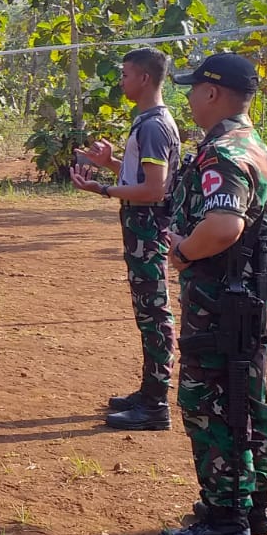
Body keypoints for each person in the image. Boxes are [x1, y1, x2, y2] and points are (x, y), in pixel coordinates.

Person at [156, 53, 267, 535]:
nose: (187, 97)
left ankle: (224, 520)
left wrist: (184, 252)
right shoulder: (254, 146)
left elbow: (225, 226)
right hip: (250, 298)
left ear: (213, 93)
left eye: (193, 89)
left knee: (210, 405)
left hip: (222, 303)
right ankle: (251, 505)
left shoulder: (224, 154)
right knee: (247, 397)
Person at [72, 48, 183, 432]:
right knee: (147, 312)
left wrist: (101, 189)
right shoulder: (150, 121)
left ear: (145, 79)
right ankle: (149, 391)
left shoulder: (153, 125)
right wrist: (111, 166)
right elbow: (145, 179)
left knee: (154, 314)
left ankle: (155, 404)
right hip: (142, 229)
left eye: (125, 75)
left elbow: (154, 190)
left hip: (148, 230)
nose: (121, 81)